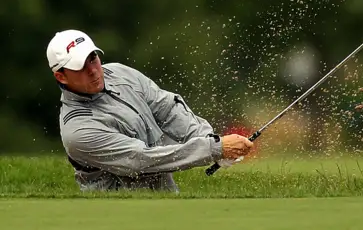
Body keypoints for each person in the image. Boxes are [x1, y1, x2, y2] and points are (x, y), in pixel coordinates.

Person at [47, 29, 253, 192]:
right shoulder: (78, 131)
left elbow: (168, 109)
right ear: (61, 77)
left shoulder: (120, 73)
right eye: (80, 67)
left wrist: (209, 138)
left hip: (165, 201)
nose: (92, 70)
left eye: (93, 58)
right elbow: (141, 160)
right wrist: (213, 149)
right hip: (116, 216)